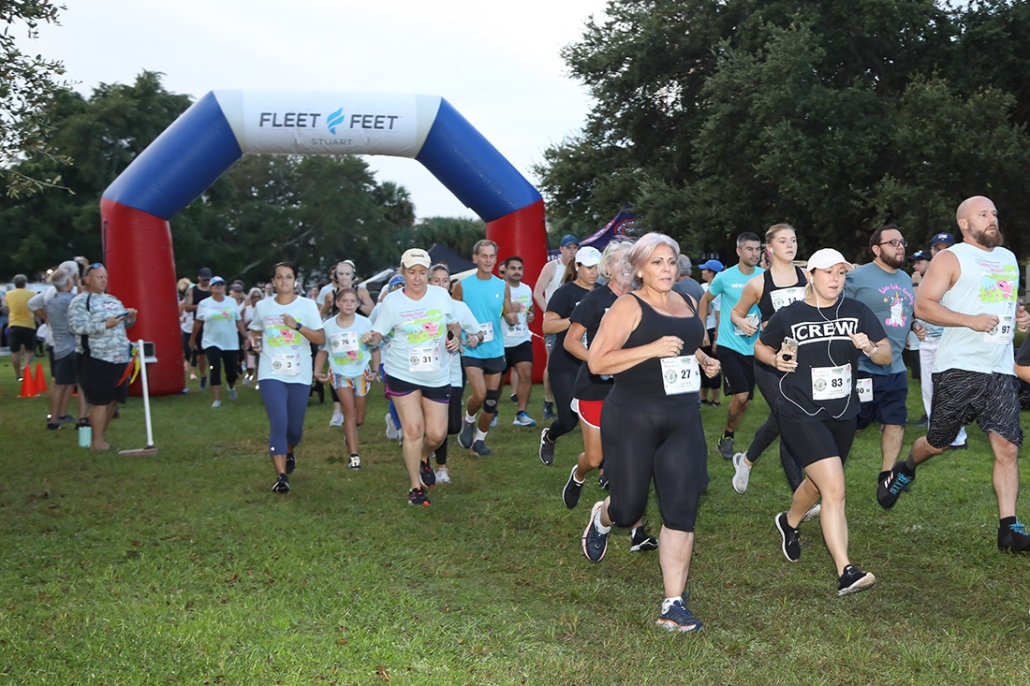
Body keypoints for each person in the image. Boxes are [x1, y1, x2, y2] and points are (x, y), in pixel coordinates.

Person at [581, 233, 720, 632]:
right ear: (640, 269)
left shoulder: (686, 301)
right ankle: (603, 517)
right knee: (629, 509)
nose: (666, 269)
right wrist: (651, 349)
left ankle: (673, 604)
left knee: (682, 509)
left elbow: (683, 343)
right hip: (633, 417)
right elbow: (597, 362)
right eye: (657, 262)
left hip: (682, 417)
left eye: (671, 261)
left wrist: (702, 359)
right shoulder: (627, 305)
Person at [880, 196, 1030, 553]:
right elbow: (923, 305)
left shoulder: (1008, 258)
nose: (992, 219)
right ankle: (906, 468)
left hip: (999, 367)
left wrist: (1019, 315)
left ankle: (1009, 530)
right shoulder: (951, 258)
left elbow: (1000, 300)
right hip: (959, 367)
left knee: (1007, 447)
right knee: (938, 443)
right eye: (983, 214)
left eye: (994, 213)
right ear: (964, 223)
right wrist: (969, 321)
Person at [757, 248, 890, 596]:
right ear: (811, 275)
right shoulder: (790, 314)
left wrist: (869, 348)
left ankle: (788, 522)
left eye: (841, 273)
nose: (835, 279)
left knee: (818, 485)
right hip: (799, 410)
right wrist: (776, 360)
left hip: (843, 411)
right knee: (834, 487)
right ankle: (846, 571)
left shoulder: (857, 311)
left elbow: (886, 353)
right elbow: (761, 347)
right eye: (828, 272)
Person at [560, 241, 660, 551]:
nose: (629, 265)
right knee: (595, 458)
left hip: (632, 390)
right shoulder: (594, 300)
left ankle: (636, 530)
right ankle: (579, 474)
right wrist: (599, 360)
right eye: (622, 260)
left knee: (633, 458)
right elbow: (570, 341)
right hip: (595, 388)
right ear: (607, 268)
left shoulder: (644, 300)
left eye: (633, 260)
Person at [362, 249, 480, 506]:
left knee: (437, 434)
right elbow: (378, 334)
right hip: (402, 371)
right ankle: (415, 487)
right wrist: (371, 339)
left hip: (436, 373)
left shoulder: (440, 296)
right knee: (413, 430)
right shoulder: (392, 302)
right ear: (403, 272)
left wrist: (454, 338)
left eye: (422, 273)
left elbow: (453, 324)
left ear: (428, 273)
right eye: (412, 272)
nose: (417, 278)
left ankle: (424, 456)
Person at [727, 224, 808, 495]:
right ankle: (800, 496)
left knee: (780, 418)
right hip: (768, 360)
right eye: (783, 241)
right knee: (788, 419)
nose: (790, 245)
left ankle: (746, 460)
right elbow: (736, 313)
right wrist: (743, 323)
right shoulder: (758, 283)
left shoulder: (808, 277)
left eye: (793, 240)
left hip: (801, 360)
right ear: (770, 248)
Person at [844, 225, 924, 481]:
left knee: (895, 421)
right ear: (877, 249)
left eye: (902, 242)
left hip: (895, 367)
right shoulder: (856, 277)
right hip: (862, 366)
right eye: (893, 243)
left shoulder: (905, 279)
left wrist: (914, 325)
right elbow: (838, 311)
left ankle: (886, 476)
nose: (900, 247)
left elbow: (901, 311)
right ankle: (827, 468)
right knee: (854, 423)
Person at [248, 262, 326, 494]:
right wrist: (255, 342)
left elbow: (320, 339)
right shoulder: (263, 306)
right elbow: (255, 330)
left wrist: (297, 326)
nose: (284, 281)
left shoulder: (307, 305)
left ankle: (289, 450)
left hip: (299, 374)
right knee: (279, 422)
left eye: (289, 277)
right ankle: (281, 476)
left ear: (295, 281)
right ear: (273, 281)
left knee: (294, 430)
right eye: (280, 277)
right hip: (271, 373)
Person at [698, 232, 764, 459]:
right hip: (729, 345)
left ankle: (726, 437)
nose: (754, 253)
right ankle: (727, 438)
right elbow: (705, 299)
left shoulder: (764, 276)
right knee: (741, 395)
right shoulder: (724, 277)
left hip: (754, 347)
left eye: (757, 249)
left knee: (744, 401)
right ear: (739, 251)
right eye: (749, 249)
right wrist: (702, 329)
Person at [538, 246, 601, 466]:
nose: (594, 272)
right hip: (565, 364)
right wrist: (577, 319)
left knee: (602, 416)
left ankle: (604, 468)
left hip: (593, 363)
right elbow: (547, 326)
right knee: (568, 420)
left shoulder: (603, 292)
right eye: (589, 267)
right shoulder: (564, 293)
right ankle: (549, 437)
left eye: (597, 268)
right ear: (577, 266)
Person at [454, 240, 518, 456]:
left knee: (491, 400)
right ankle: (469, 418)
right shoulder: (462, 286)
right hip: (471, 348)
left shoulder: (502, 286)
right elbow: (453, 316)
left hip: (494, 348)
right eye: (484, 256)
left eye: (492, 256)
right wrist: (459, 336)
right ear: (475, 258)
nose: (488, 260)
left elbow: (508, 313)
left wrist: (513, 317)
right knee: (479, 394)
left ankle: (479, 442)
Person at [67, 263, 138, 450]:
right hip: (96, 357)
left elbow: (122, 325)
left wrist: (130, 318)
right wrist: (104, 325)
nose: (104, 280)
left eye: (105, 277)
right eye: (99, 277)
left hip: (119, 357)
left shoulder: (113, 300)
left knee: (113, 400)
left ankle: (101, 438)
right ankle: (96, 442)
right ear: (87, 279)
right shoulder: (80, 301)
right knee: (100, 401)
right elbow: (75, 326)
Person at [428, 263, 482, 483]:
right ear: (429, 282)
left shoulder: (458, 307)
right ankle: (440, 468)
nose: (441, 285)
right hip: (425, 374)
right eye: (436, 280)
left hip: (452, 373)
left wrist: (474, 338)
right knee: (438, 426)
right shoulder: (420, 307)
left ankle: (425, 449)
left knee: (452, 425)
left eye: (445, 281)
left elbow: (478, 332)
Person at [314, 288, 380, 469]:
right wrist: (317, 371)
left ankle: (351, 433)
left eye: (352, 301)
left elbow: (375, 348)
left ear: (358, 304)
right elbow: (323, 350)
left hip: (361, 373)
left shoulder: (365, 323)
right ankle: (354, 456)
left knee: (359, 418)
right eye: (345, 301)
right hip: (339, 373)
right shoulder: (328, 325)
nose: (349, 304)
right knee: (349, 412)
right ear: (337, 303)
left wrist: (375, 370)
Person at [916, 234, 969, 450]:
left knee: (950, 389)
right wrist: (916, 325)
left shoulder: (959, 275)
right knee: (928, 389)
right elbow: (918, 309)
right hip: (926, 341)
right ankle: (936, 434)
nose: (941, 252)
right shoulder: (925, 277)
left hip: (949, 339)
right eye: (937, 249)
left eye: (946, 248)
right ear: (932, 252)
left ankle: (958, 438)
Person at [534, 234, 580, 420]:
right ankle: (548, 400)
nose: (572, 251)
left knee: (576, 363)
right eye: (569, 248)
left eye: (575, 248)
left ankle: (575, 401)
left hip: (574, 322)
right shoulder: (552, 267)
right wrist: (549, 313)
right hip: (556, 324)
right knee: (552, 363)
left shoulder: (579, 268)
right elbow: (537, 292)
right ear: (561, 249)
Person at [191, 276, 248, 408]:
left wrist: (245, 337)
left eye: (221, 284)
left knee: (231, 372)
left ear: (225, 287)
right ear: (210, 288)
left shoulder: (231, 302)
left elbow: (238, 321)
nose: (218, 286)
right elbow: (198, 322)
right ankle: (216, 399)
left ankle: (231, 387)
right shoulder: (204, 304)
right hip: (211, 341)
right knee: (214, 368)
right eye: (215, 284)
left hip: (230, 342)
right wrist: (192, 338)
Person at [499, 255, 537, 427]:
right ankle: (491, 411)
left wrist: (531, 315)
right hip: (501, 341)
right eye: (513, 268)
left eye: (519, 268)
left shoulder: (526, 289)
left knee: (526, 373)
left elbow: (530, 308)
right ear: (506, 270)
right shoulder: (498, 289)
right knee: (497, 381)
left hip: (522, 339)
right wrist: (505, 309)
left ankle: (521, 413)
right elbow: (488, 313)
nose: (516, 272)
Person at [41, 268, 80, 430]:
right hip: (74, 346)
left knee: (59, 384)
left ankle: (53, 420)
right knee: (81, 385)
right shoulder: (73, 300)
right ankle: (82, 421)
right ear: (68, 282)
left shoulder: (51, 301)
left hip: (59, 347)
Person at [697, 260, 723, 407]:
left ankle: (716, 400)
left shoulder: (717, 291)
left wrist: (716, 340)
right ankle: (703, 397)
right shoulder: (703, 287)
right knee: (702, 364)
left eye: (705, 269)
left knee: (712, 363)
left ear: (711, 272)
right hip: (704, 329)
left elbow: (719, 316)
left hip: (712, 331)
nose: (702, 272)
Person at [183, 267, 213, 389]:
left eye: (208, 279)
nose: (206, 281)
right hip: (199, 323)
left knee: (213, 352)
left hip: (213, 323)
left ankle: (214, 374)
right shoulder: (193, 290)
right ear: (199, 278)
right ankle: (203, 375)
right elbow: (187, 307)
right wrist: (201, 306)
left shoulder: (213, 289)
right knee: (201, 353)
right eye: (204, 279)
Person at [6, 274, 37, 381]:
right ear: (25, 283)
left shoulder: (8, 294)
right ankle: (26, 367)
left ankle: (18, 375)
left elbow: (9, 309)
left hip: (14, 324)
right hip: (28, 324)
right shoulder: (31, 294)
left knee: (15, 351)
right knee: (30, 349)